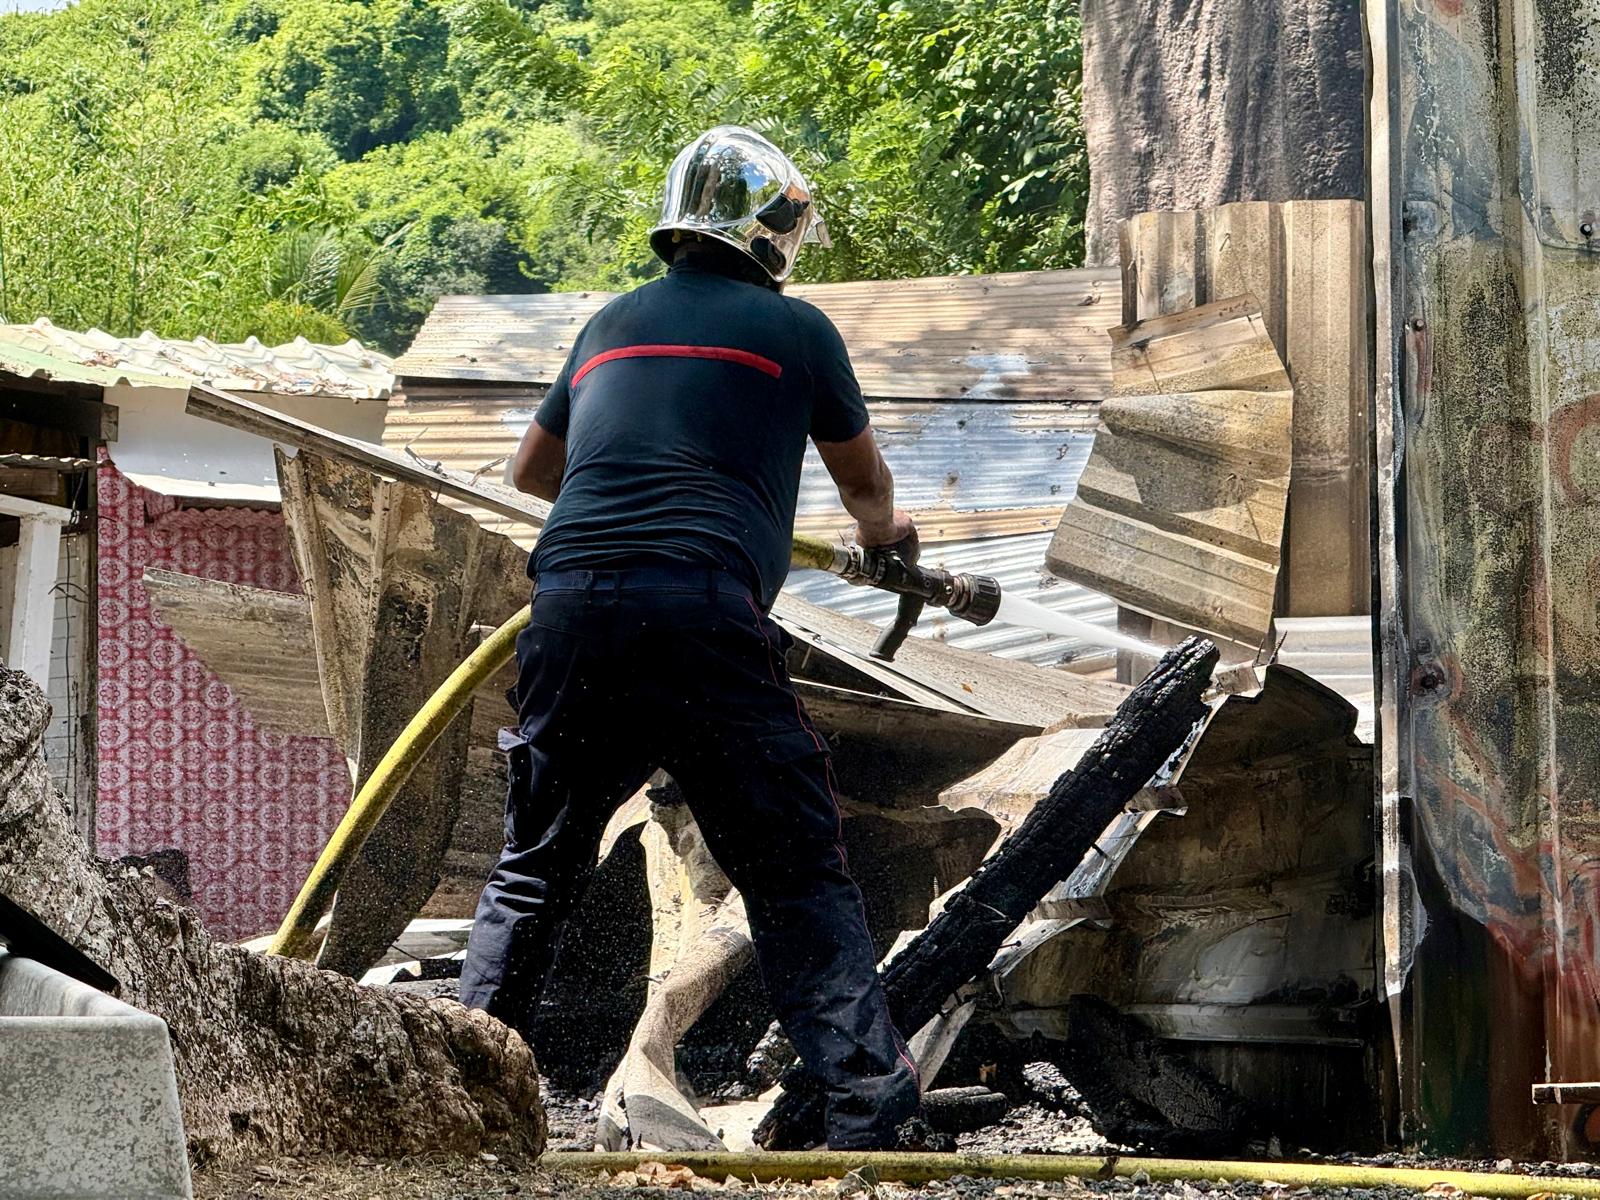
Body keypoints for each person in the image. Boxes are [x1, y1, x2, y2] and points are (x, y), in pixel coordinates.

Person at [458, 126, 921, 1150]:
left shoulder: (608, 325)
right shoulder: (797, 334)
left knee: (532, 870)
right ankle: (866, 1116)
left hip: (571, 608)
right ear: (771, 231)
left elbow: (534, 475)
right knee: (794, 869)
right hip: (704, 615)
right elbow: (867, 492)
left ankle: (453, 1104)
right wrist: (889, 548)